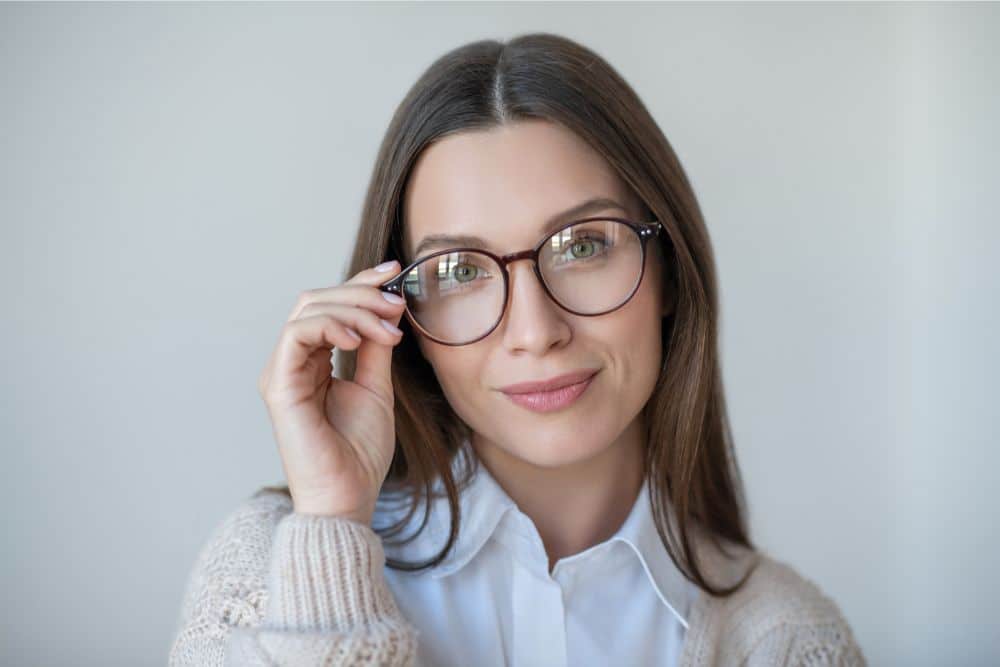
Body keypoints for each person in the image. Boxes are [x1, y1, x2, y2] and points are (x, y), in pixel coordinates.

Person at [168, 32, 867, 666]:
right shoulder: (265, 575)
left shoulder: (787, 639)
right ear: (399, 313)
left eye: (584, 245)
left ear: (669, 274)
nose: (535, 331)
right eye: (460, 271)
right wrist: (332, 529)